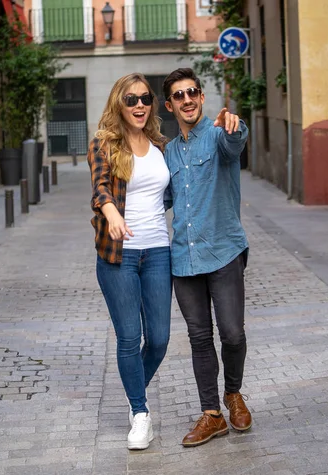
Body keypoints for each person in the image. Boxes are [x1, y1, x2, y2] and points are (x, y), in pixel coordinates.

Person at [162, 68, 252, 447]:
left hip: (223, 251)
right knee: (199, 338)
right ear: (169, 105)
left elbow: (236, 141)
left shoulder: (218, 136)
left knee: (232, 333)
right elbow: (162, 201)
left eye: (192, 92)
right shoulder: (167, 151)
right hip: (184, 259)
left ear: (201, 96)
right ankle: (212, 414)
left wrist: (235, 125)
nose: (187, 99)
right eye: (179, 95)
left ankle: (234, 393)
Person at [87, 73, 171, 450]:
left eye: (145, 99)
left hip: (158, 252)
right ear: (118, 104)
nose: (140, 105)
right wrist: (111, 213)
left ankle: (132, 389)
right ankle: (140, 414)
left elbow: (172, 193)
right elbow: (100, 185)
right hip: (118, 255)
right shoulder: (104, 143)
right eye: (131, 99)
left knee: (160, 339)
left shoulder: (160, 145)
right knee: (128, 338)